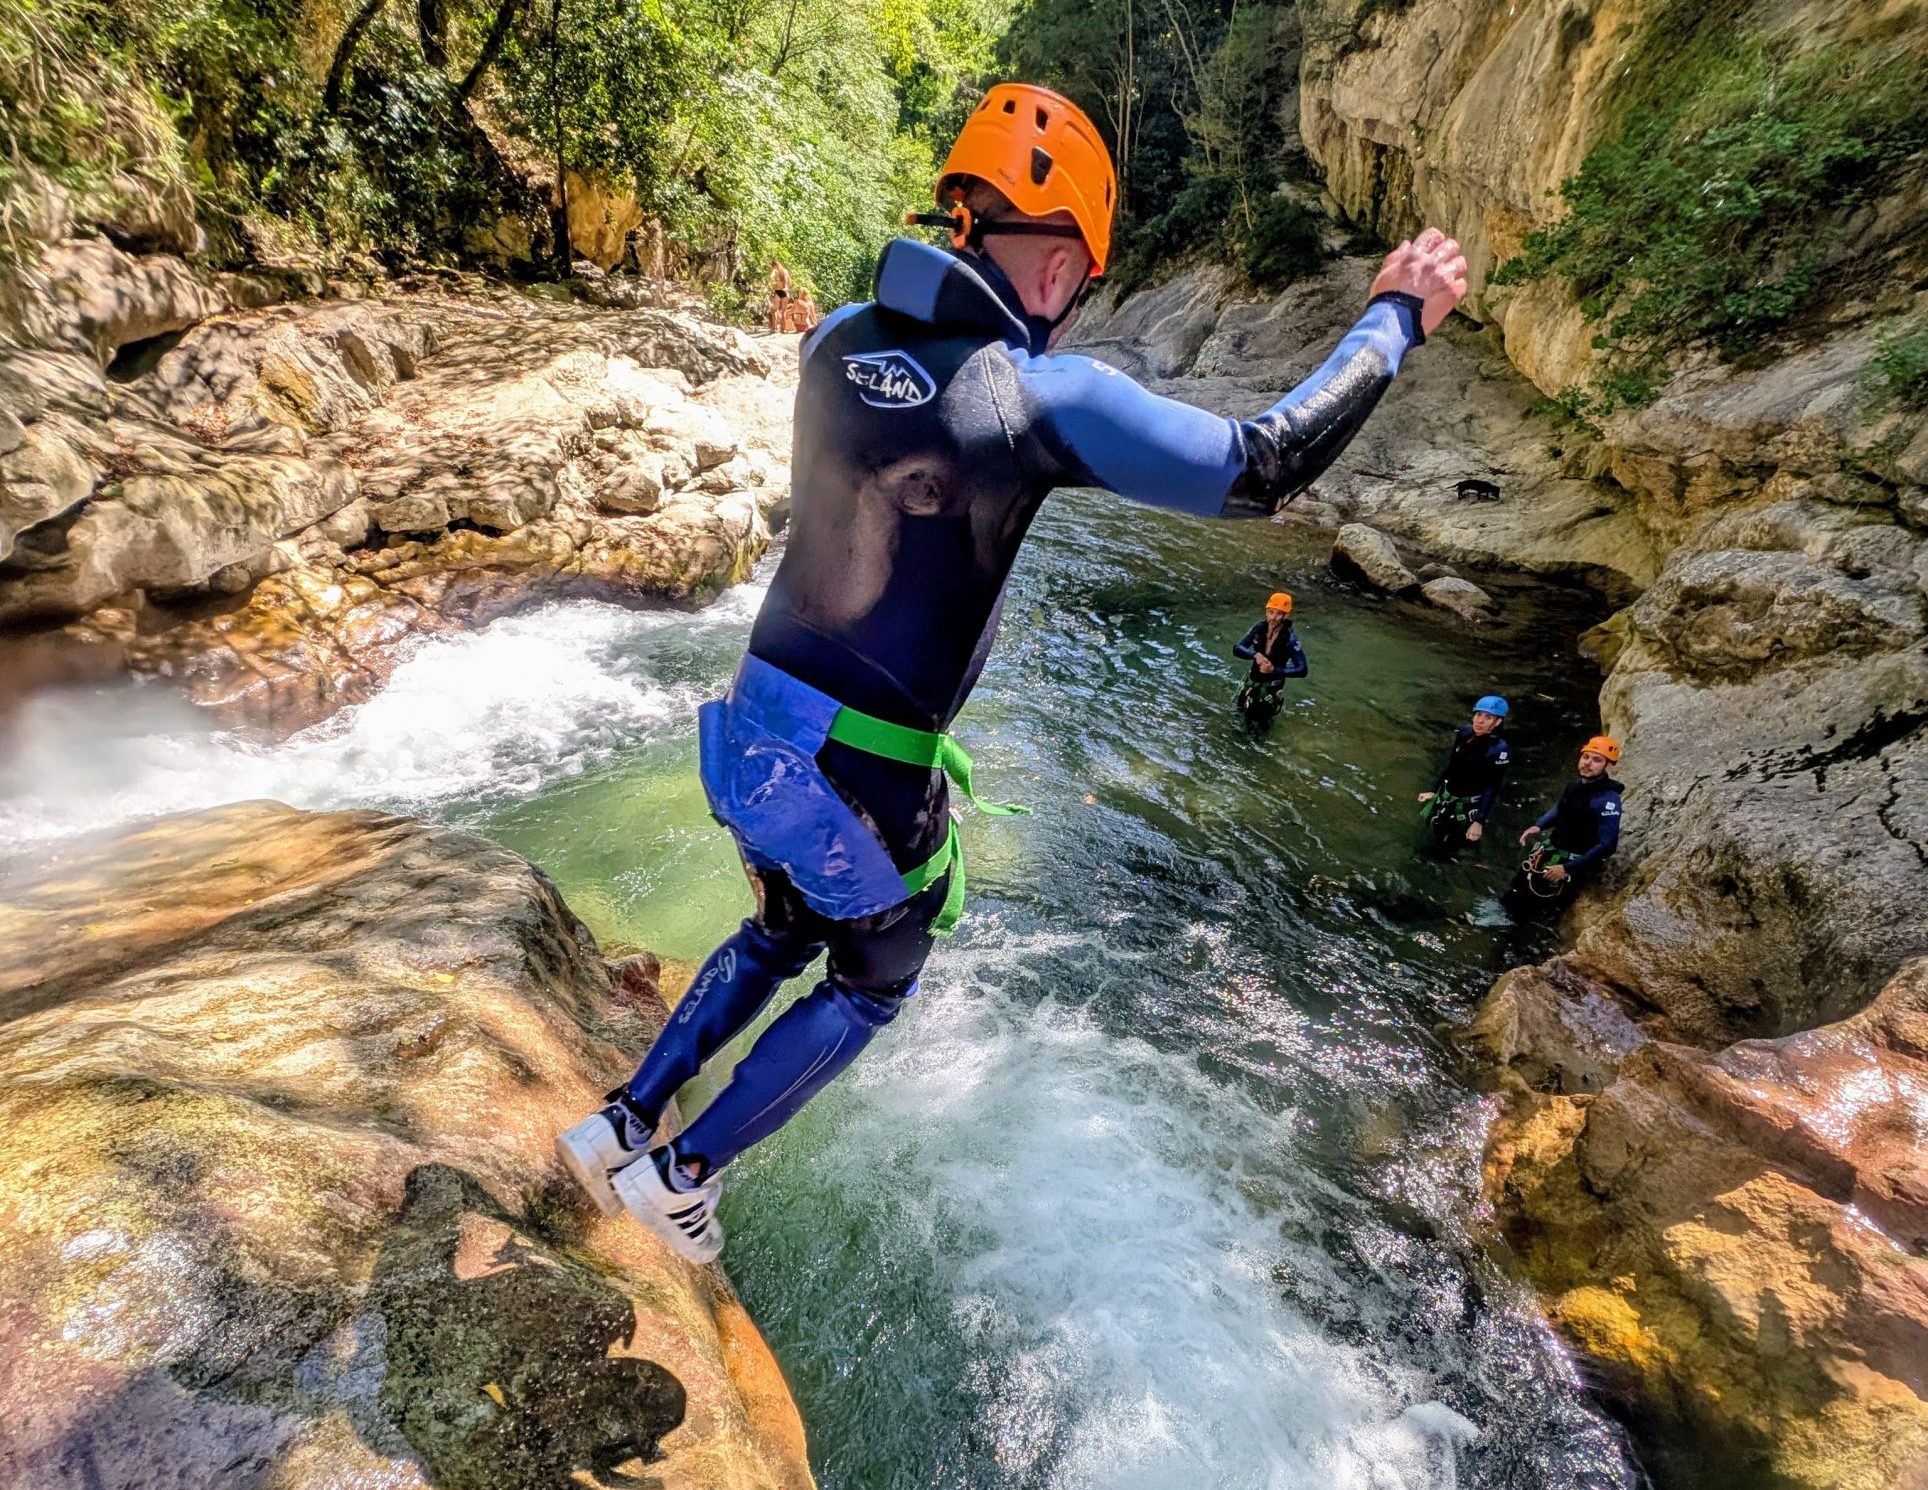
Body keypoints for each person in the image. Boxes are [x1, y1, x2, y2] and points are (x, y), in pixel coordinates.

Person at [557, 81, 1469, 1262]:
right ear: (1058, 270)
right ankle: (679, 1172)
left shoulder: (833, 338)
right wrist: (1391, 316)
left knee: (782, 923)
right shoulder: (1037, 394)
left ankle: (619, 1117)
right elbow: (1260, 464)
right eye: (1081, 284)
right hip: (857, 775)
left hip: (748, 736)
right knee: (875, 972)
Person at [1506, 735, 1624, 914]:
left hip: (1572, 862)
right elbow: (1560, 809)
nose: (1588, 763)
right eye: (1586, 757)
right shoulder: (1574, 785)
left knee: (1537, 909)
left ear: (1607, 766)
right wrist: (1539, 826)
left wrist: (1567, 868)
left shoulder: (1607, 801)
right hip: (1552, 850)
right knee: (1516, 890)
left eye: (1596, 760)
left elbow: (1607, 845)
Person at [1417, 695, 1510, 851]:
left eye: (1487, 718)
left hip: (1468, 805)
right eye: (1478, 715)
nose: (1480, 721)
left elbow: (1493, 786)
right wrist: (1433, 791)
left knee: (1451, 845)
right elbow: (1452, 764)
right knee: (1432, 831)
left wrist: (1479, 821)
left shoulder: (1499, 750)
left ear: (1498, 722)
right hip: (1447, 795)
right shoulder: (1465, 733)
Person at [1232, 591, 1308, 729]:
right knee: (1239, 714)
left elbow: (1302, 669)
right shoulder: (1259, 628)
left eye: (1279, 614)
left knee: (1260, 723)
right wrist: (1255, 654)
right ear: (1266, 611)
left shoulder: (1290, 639)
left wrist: (1274, 669)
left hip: (1270, 689)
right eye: (1271, 612)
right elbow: (1237, 648)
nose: (1274, 618)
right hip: (1251, 682)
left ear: (1286, 616)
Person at [768, 259, 793, 332]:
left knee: (774, 309)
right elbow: (789, 282)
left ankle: (774, 328)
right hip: (785, 291)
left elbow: (770, 277)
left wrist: (774, 282)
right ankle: (783, 329)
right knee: (783, 311)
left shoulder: (775, 271)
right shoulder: (785, 271)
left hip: (779, 291)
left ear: (774, 265)